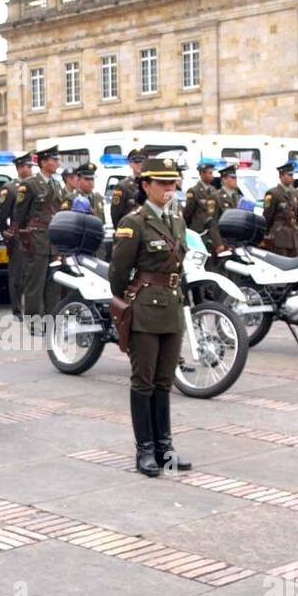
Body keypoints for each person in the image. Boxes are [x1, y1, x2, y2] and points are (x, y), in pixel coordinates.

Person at [109, 157, 192, 478]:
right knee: (143, 382)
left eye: (173, 184)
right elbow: (118, 272)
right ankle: (145, 450)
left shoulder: (177, 219)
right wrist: (127, 302)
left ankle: (165, 448)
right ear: (146, 186)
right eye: (162, 184)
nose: (169, 189)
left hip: (171, 306)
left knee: (164, 380)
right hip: (143, 308)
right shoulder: (135, 221)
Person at [11, 144, 62, 321]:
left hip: (52, 241)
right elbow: (20, 214)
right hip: (36, 240)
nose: (57, 162)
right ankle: (33, 320)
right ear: (43, 162)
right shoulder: (30, 184)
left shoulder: (56, 184)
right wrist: (27, 236)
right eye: (54, 159)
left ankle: (52, 320)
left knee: (52, 284)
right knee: (35, 283)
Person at [0, 153, 33, 317]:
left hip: (31, 234)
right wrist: (8, 234)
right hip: (17, 234)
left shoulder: (33, 186)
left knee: (30, 272)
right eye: (27, 166)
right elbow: (2, 216)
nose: (30, 169)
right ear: (19, 168)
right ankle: (17, 308)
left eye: (31, 166)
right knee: (17, 274)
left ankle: (30, 304)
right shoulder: (10, 188)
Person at [183, 160, 223, 253]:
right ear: (202, 174)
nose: (212, 175)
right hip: (199, 231)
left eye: (212, 173)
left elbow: (217, 212)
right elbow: (188, 212)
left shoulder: (214, 191)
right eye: (209, 173)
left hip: (213, 232)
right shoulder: (194, 191)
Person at [262, 161, 298, 255]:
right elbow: (267, 216)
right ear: (281, 176)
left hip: (293, 238)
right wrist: (266, 235)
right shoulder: (273, 193)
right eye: (289, 175)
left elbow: (297, 214)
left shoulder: (294, 193)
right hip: (279, 237)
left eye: (292, 175)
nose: (292, 178)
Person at [109, 150, 145, 225]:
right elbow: (116, 213)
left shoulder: (151, 184)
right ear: (130, 164)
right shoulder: (122, 186)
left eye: (141, 162)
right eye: (136, 162)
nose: (139, 165)